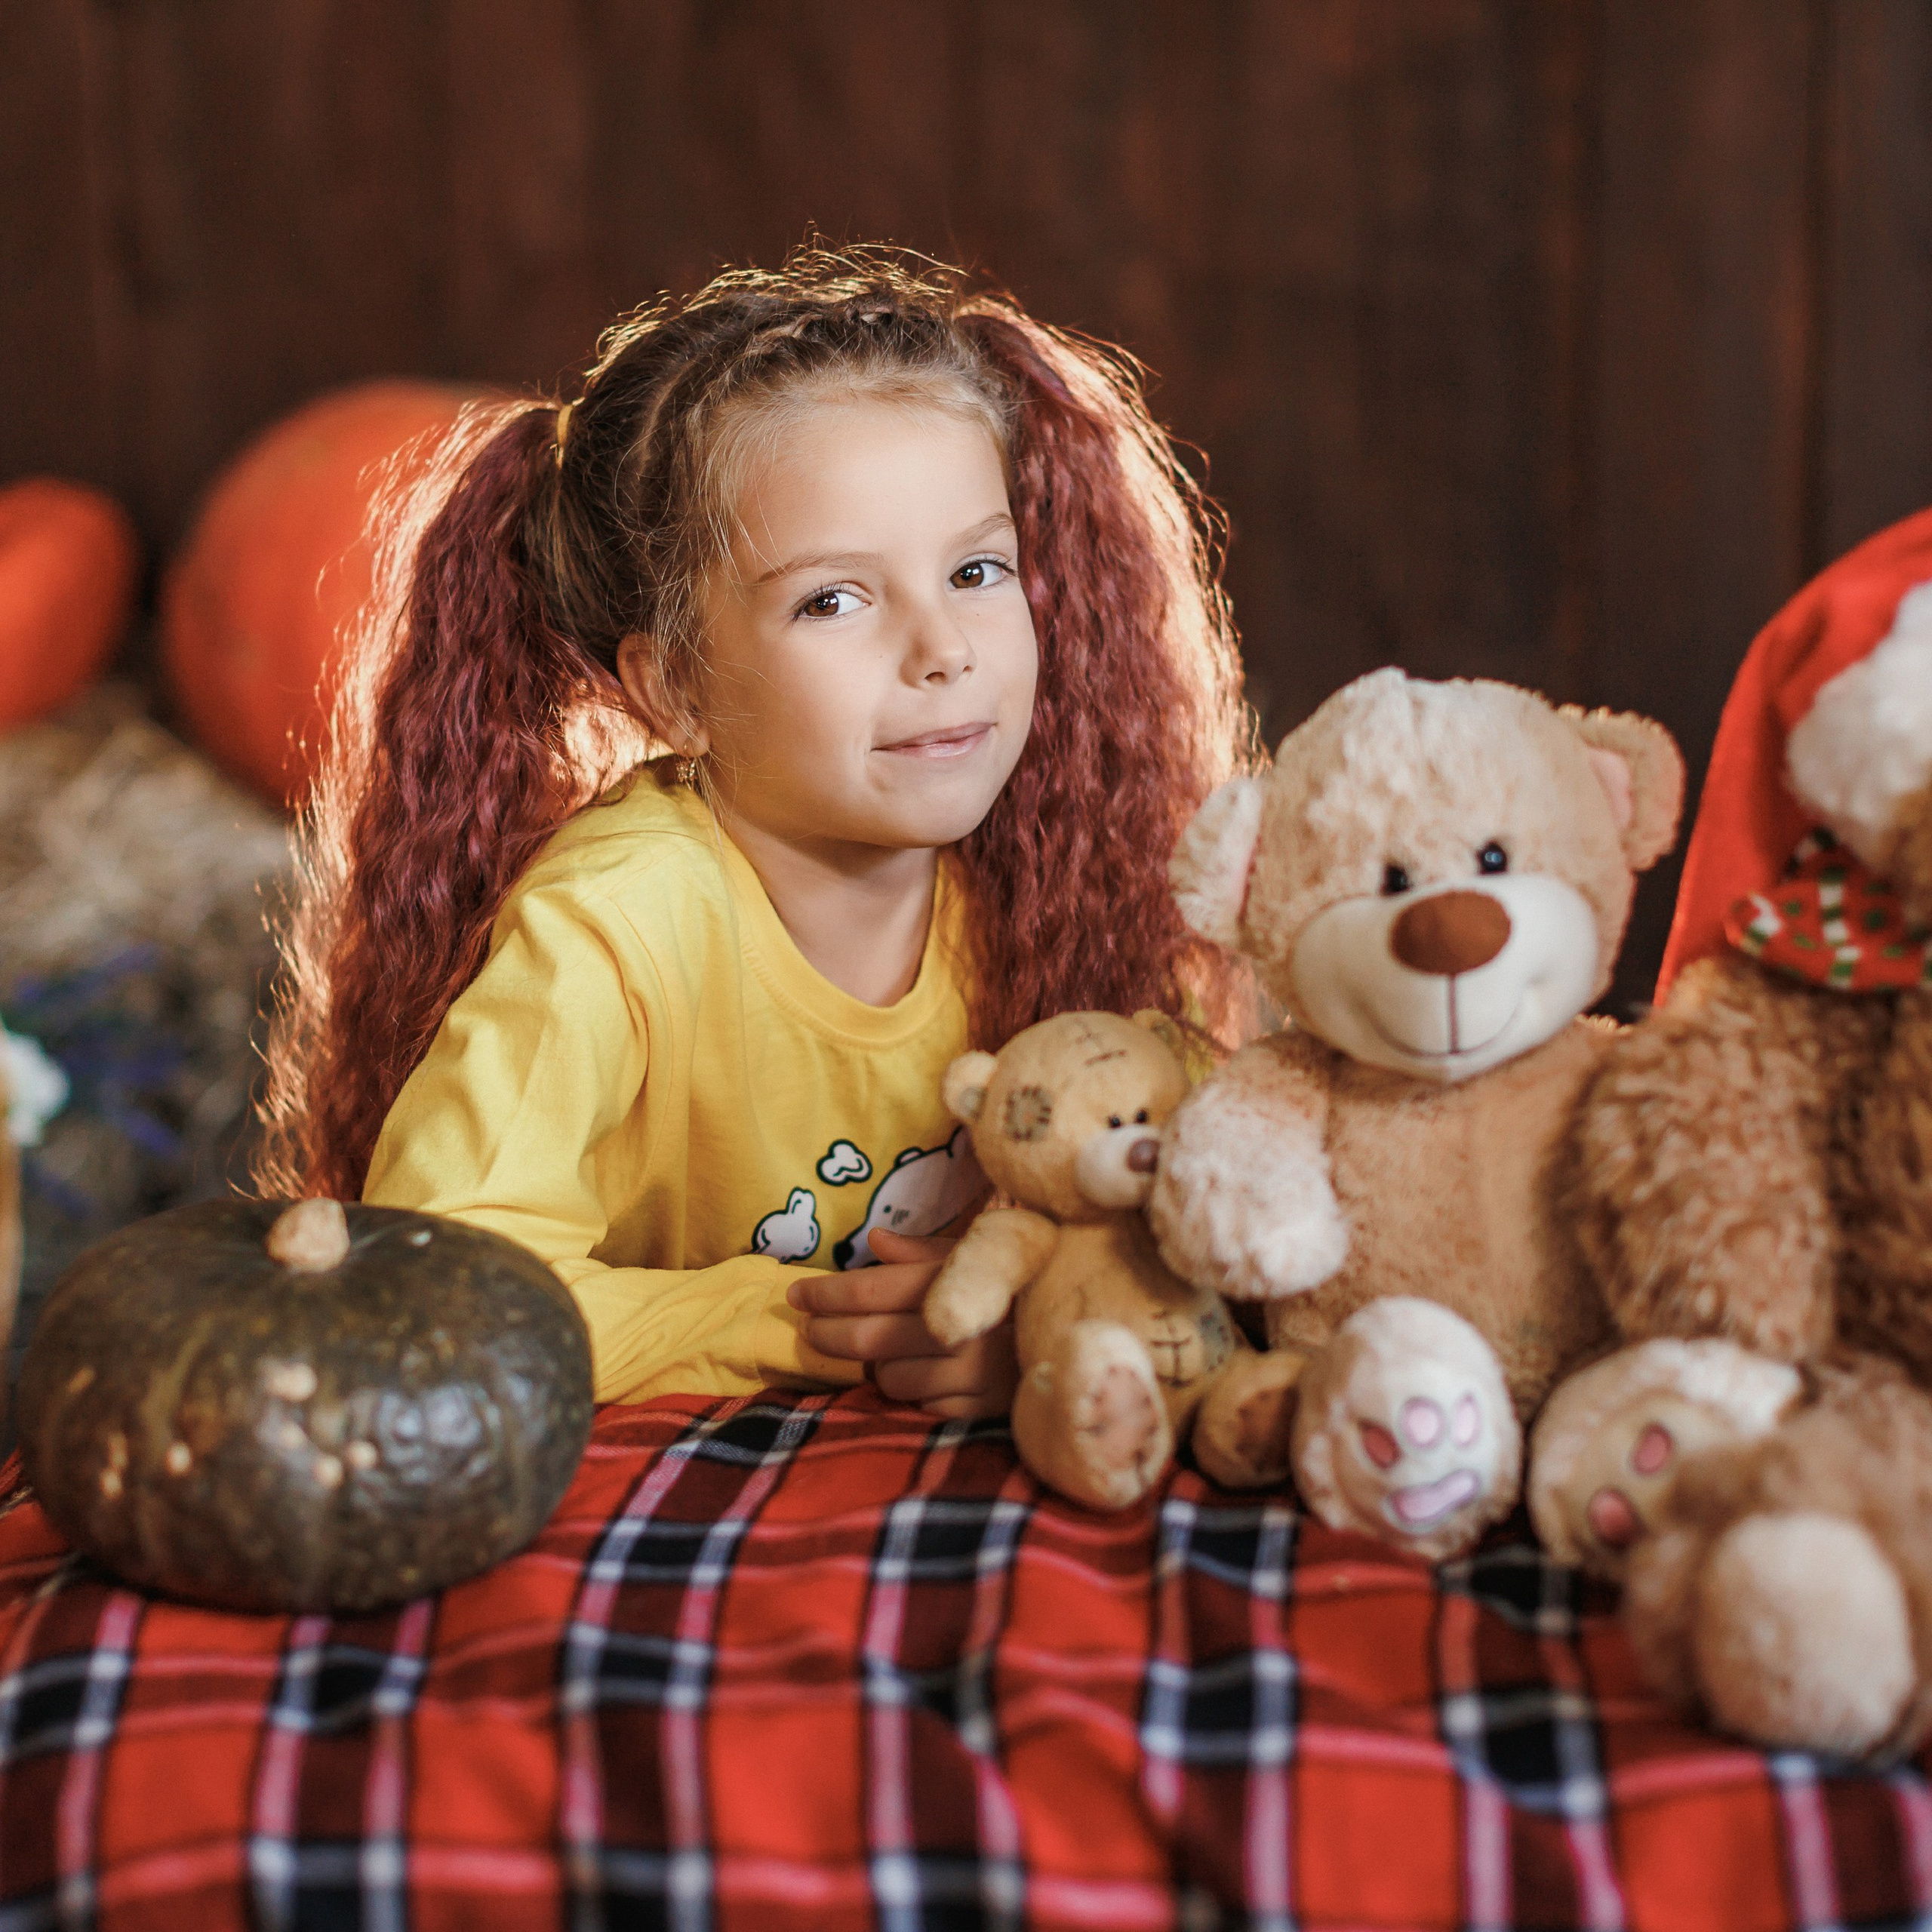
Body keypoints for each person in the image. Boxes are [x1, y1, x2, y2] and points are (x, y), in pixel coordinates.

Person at [255, 248, 1254, 1417]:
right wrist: (804, 1322)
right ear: (674, 686)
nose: (946, 649)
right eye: (834, 598)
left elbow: (1207, 1212)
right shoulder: (614, 925)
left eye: (979, 570)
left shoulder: (1060, 872)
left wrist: (1050, 1321)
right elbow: (429, 1292)